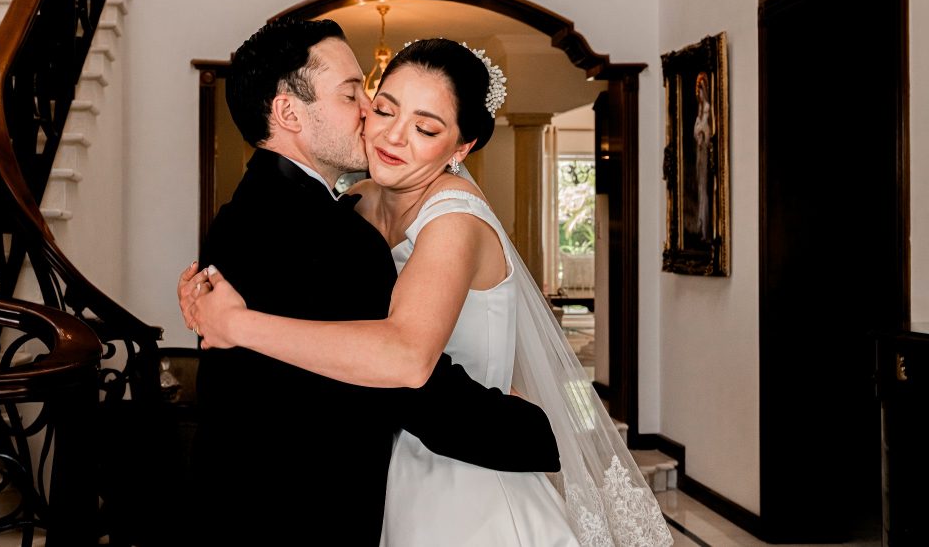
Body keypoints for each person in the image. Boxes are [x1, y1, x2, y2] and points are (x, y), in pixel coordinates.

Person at [184, 37, 674, 546]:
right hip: (378, 470)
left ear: (461, 148)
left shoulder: (450, 220)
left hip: (463, 471)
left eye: (425, 128)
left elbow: (406, 358)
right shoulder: (351, 208)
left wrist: (234, 324)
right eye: (379, 106)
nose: (391, 136)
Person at [692, 72, 713, 238]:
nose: (699, 93)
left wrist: (702, 135)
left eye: (701, 89)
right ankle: (701, 223)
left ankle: (704, 224)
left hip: (705, 152)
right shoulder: (700, 112)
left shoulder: (707, 110)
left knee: (704, 187)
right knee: (700, 187)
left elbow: (708, 131)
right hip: (700, 152)